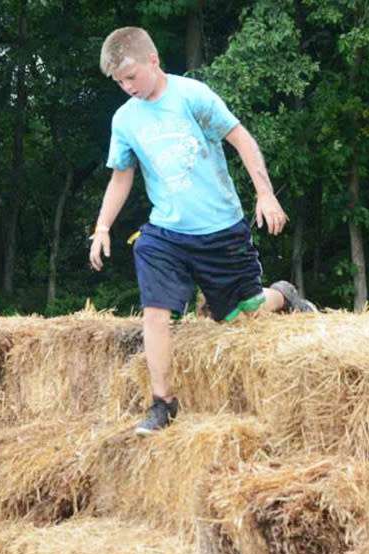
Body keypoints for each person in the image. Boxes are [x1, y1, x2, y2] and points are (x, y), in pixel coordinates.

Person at [90, 27, 316, 435]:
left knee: (239, 314)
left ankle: (282, 295)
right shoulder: (124, 120)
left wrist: (265, 195)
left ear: (153, 61)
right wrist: (102, 226)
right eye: (119, 82)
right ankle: (163, 402)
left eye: (131, 77)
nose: (127, 88)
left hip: (221, 230)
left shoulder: (192, 97)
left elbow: (242, 140)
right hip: (166, 233)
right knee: (156, 313)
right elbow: (122, 176)